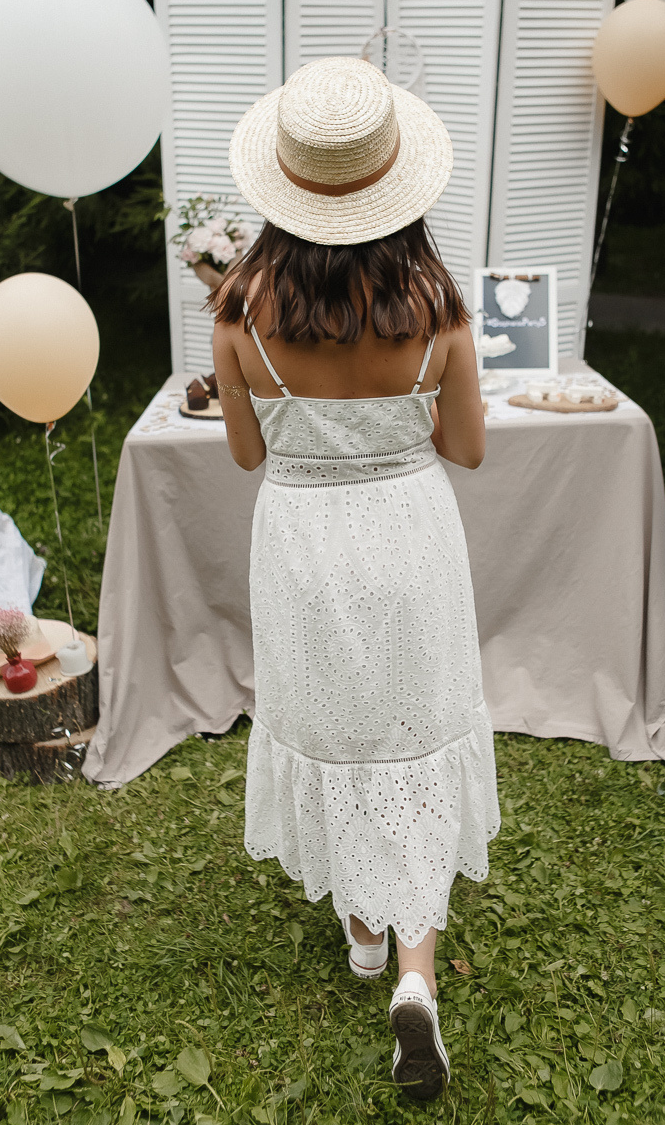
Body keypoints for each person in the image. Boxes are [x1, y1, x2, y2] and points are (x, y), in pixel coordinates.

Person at [209, 55, 500, 1102]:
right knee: (409, 728)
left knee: (335, 725)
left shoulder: (238, 315)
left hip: (301, 542)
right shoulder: (438, 309)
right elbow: (467, 449)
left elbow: (246, 454)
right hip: (410, 536)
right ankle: (414, 977)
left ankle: (366, 934)